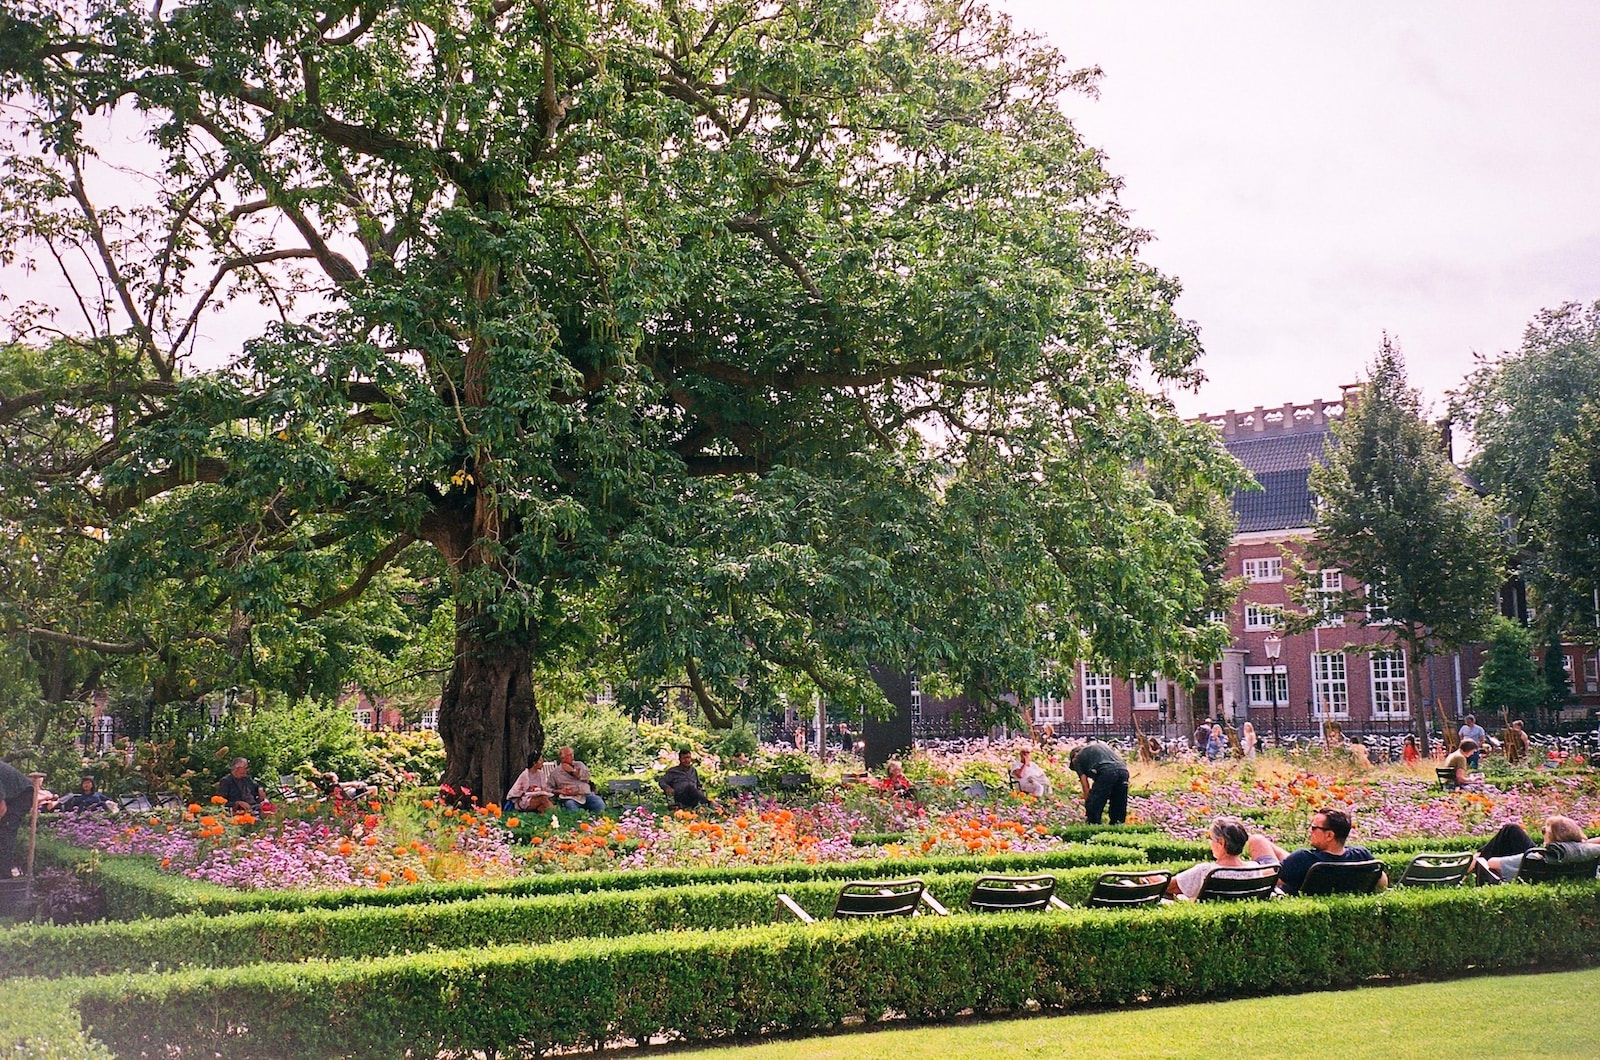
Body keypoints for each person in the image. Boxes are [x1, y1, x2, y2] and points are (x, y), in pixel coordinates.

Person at [1261, 808, 1387, 896]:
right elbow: (1382, 882)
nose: (1310, 831)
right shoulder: (1361, 855)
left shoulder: (1303, 859)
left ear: (1329, 835)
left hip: (1296, 871)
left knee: (1258, 840)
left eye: (1314, 828)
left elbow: (1265, 881)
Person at [1168, 816, 1281, 899]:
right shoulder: (1256, 870)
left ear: (1221, 843)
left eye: (1211, 839)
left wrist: (1152, 877)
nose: (1210, 843)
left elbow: (1165, 887)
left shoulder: (1205, 871)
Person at [1473, 815, 1594, 884]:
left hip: (1538, 869)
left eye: (1544, 831)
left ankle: (1470, 863)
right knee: (1512, 831)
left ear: (1553, 838)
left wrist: (1481, 859)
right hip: (1553, 871)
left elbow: (1491, 862)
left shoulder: (1533, 858)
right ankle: (1472, 859)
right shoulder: (1586, 852)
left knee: (1511, 830)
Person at [1069, 741, 1130, 825]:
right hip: (1123, 771)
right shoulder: (1097, 750)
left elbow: (1084, 783)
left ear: (1074, 756)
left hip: (1107, 772)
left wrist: (1088, 802)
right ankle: (1117, 826)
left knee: (1094, 804)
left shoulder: (1077, 758)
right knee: (1118, 803)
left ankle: (1094, 827)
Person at [0, 759, 38, 878]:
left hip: (21, 795)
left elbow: (1, 808)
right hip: (10, 795)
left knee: (6, 831)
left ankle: (4, 876)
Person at [552, 746, 605, 813]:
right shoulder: (556, 773)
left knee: (599, 803)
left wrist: (573, 771)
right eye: (569, 755)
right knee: (570, 805)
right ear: (562, 758)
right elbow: (549, 788)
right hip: (570, 798)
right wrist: (560, 791)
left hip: (586, 794)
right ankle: (579, 822)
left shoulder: (579, 765)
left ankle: (598, 821)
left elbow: (587, 777)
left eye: (572, 754)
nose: (572, 757)